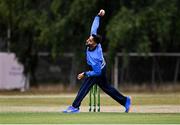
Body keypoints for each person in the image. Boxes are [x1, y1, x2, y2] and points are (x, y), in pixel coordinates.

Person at [63, 9, 131, 113]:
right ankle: (125, 101)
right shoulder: (94, 38)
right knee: (107, 88)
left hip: (98, 69)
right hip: (100, 67)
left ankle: (75, 106)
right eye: (88, 39)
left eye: (90, 40)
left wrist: (85, 73)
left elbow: (97, 72)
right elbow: (94, 26)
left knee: (85, 85)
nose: (87, 40)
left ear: (94, 44)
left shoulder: (95, 57)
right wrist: (98, 16)